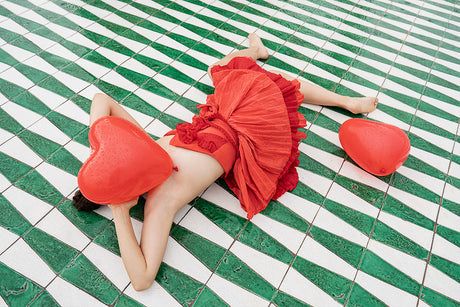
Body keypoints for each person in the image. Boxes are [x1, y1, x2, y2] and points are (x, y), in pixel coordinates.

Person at [73, 34, 377, 291]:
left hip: (222, 111)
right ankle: (346, 102)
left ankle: (256, 50)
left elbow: (102, 100)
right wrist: (120, 214)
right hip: (247, 133)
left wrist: (102, 147)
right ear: (126, 194)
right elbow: (141, 280)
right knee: (265, 86)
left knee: (222, 69)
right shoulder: (161, 200)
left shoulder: (142, 150)